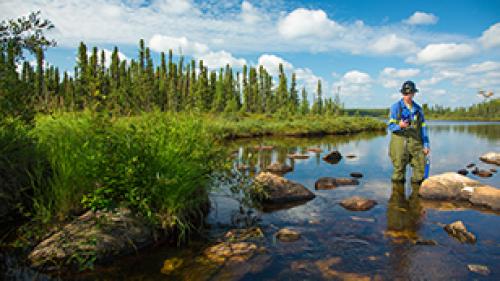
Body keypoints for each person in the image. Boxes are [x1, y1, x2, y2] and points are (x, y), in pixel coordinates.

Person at [388, 81, 430, 183]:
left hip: (416, 144)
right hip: (399, 144)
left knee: (420, 169)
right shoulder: (396, 107)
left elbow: (423, 128)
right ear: (402, 93)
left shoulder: (418, 109)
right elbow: (390, 126)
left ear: (414, 93)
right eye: (405, 93)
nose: (407, 96)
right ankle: (397, 196)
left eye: (410, 93)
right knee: (398, 173)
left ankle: (417, 196)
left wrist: (426, 145)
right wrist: (400, 126)